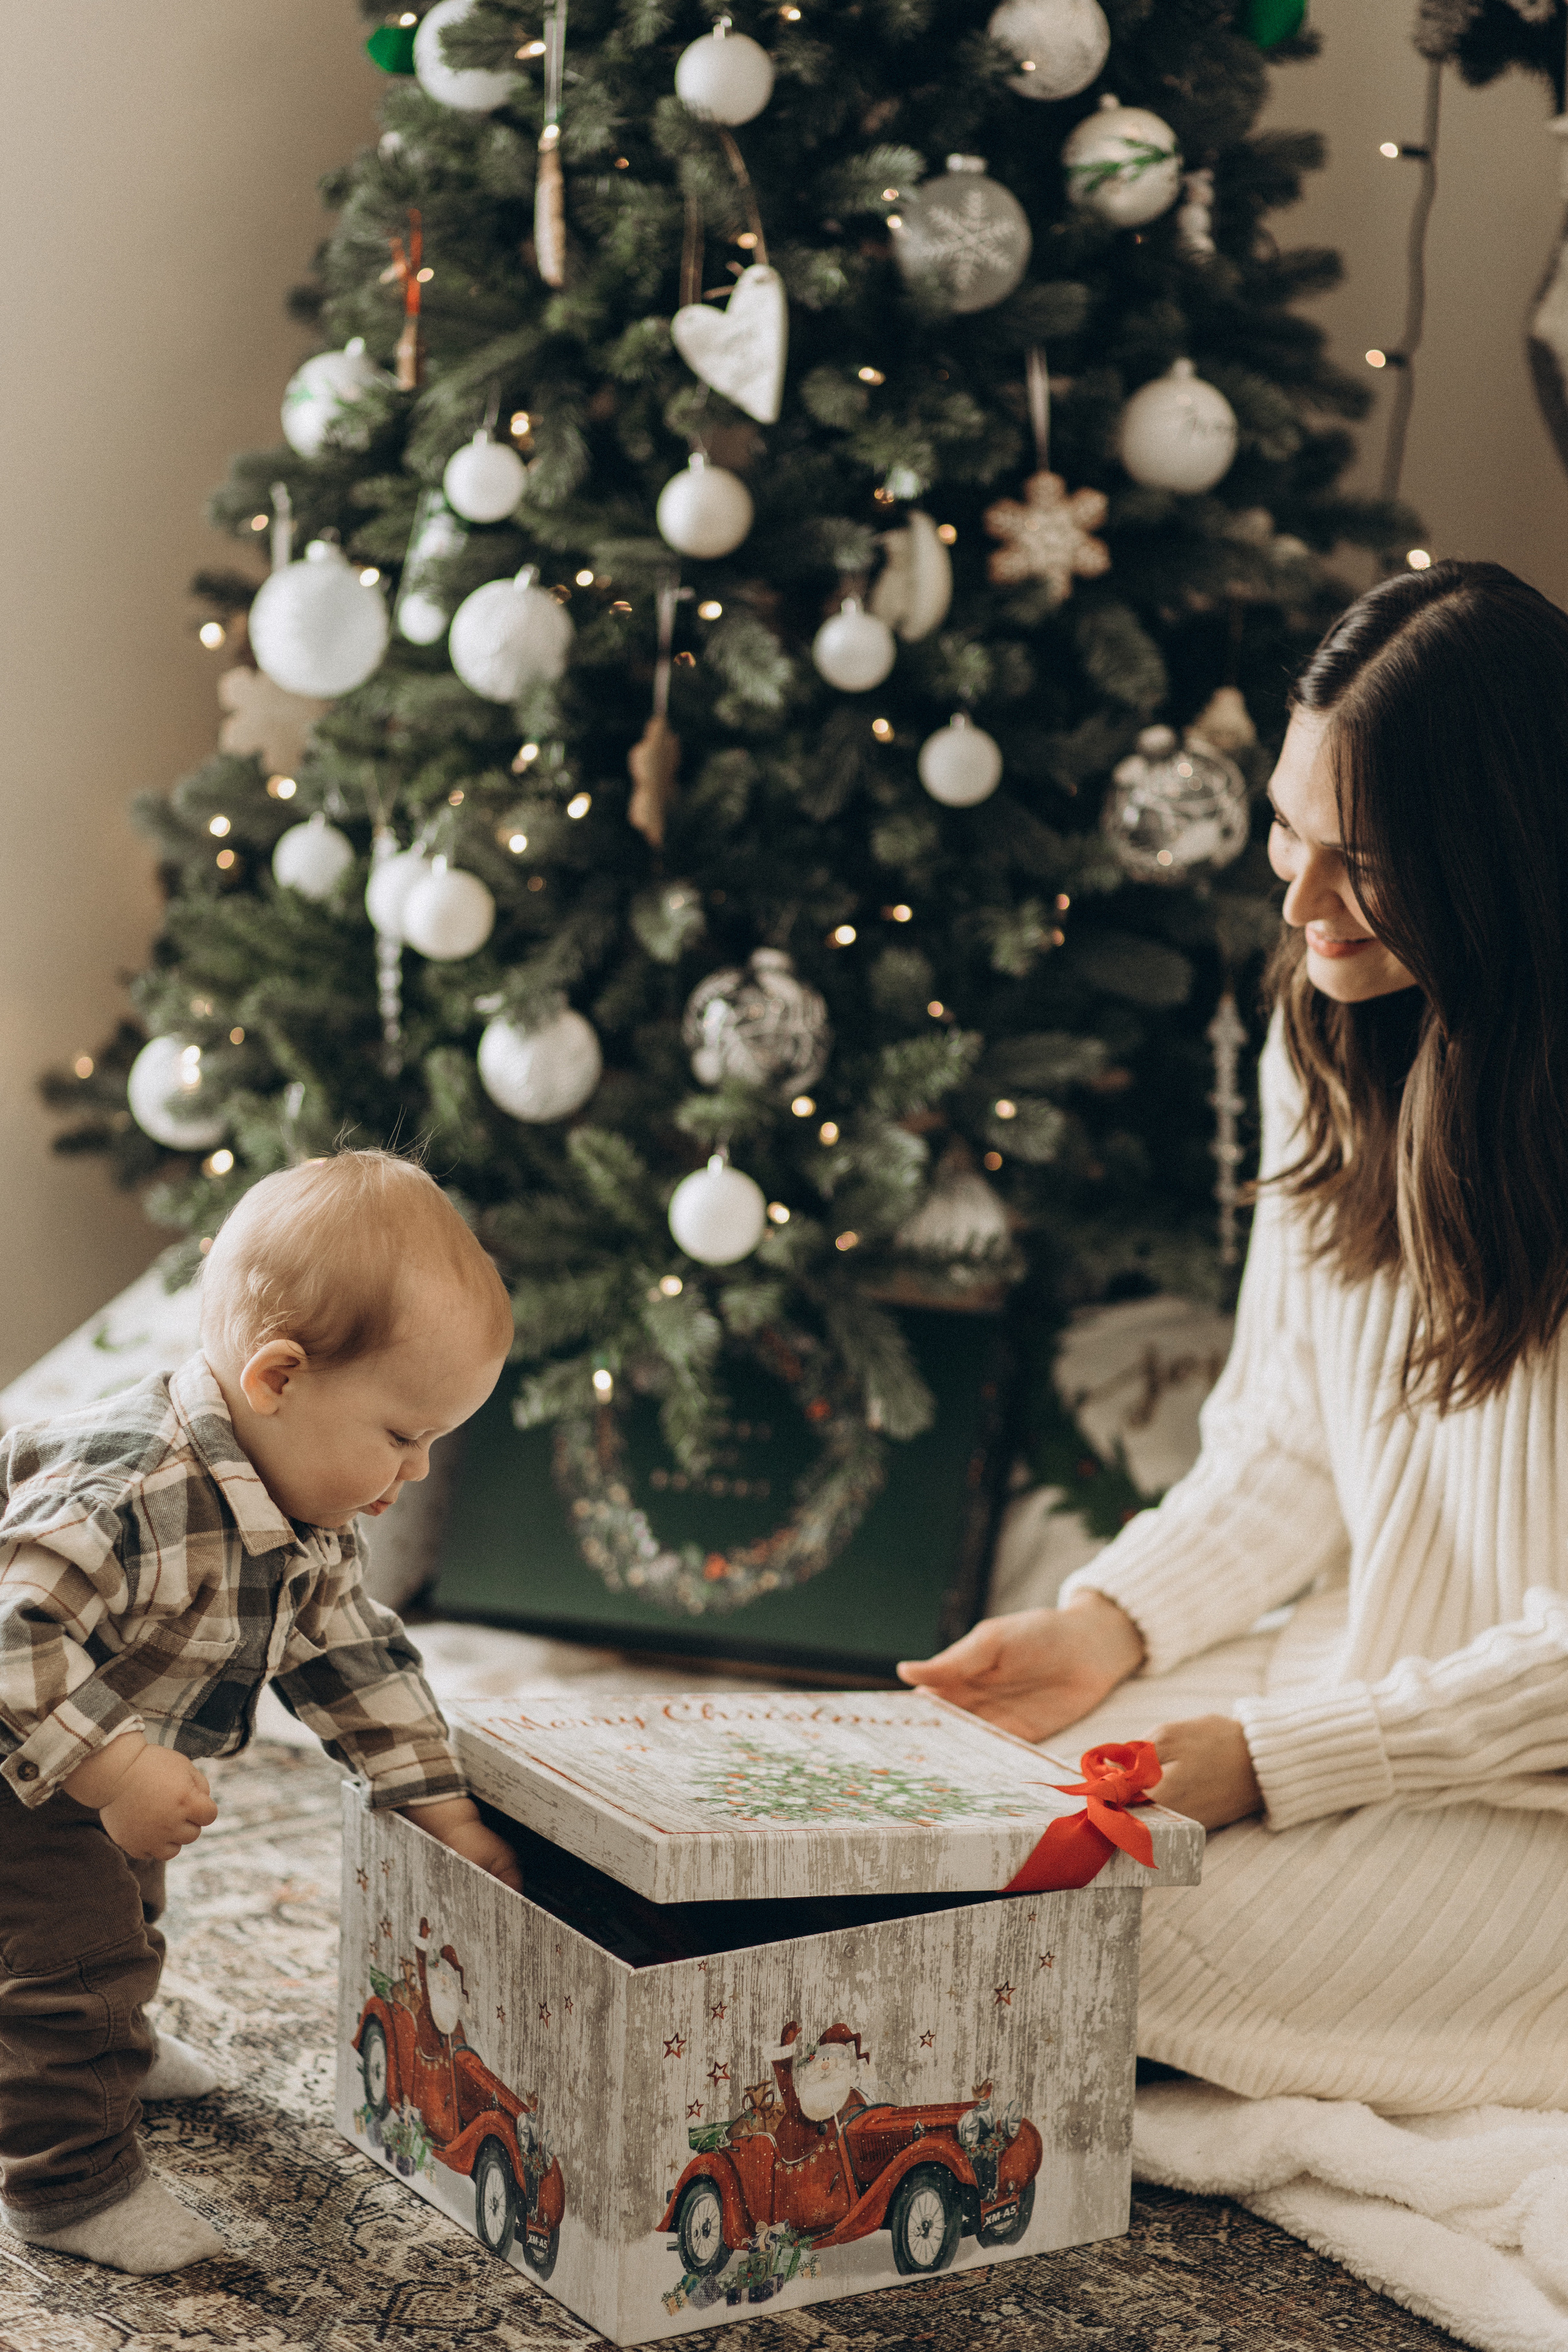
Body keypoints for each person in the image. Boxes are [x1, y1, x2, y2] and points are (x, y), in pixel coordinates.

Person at [902, 559, 1568, 2114]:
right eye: (1287, 825)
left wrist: (1283, 1759)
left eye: (1367, 857)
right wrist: (1106, 1627)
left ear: (1504, 856)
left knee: (1057, 1935)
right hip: (1376, 1688)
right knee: (953, 1828)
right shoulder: (1331, 1024)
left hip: (1520, 1791)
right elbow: (1283, 1441)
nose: (1297, 899)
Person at [0, 1150, 521, 2275]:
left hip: (102, 1734)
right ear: (278, 1376)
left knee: (128, 1910)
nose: (419, 1470)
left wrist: (437, 1802)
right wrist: (113, 1772)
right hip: (20, 1749)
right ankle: (70, 2186)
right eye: (401, 1434)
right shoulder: (127, 1488)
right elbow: (12, 1640)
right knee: (73, 1957)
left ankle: (112, 2046)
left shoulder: (306, 1511)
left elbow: (347, 1654)